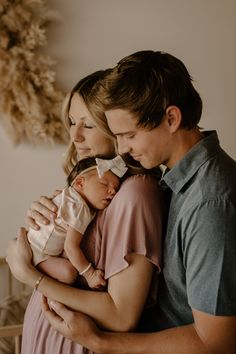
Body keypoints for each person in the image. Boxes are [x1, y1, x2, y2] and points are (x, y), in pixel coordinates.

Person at [25, 50, 236, 353]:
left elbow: (216, 342)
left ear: (171, 118)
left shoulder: (210, 202)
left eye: (129, 135)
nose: (121, 149)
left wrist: (99, 341)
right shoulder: (175, 183)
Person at [6, 69, 164, 354]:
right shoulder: (93, 192)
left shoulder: (135, 193)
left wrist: (29, 275)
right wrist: (30, 234)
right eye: (71, 122)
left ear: (115, 127)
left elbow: (121, 316)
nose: (74, 135)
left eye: (87, 125)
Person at [28, 155, 125, 288]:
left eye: (116, 188)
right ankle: (53, 297)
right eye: (104, 184)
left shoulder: (70, 197)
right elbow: (70, 247)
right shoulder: (79, 207)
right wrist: (90, 274)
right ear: (80, 183)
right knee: (69, 273)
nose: (113, 191)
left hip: (34, 243)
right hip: (39, 253)